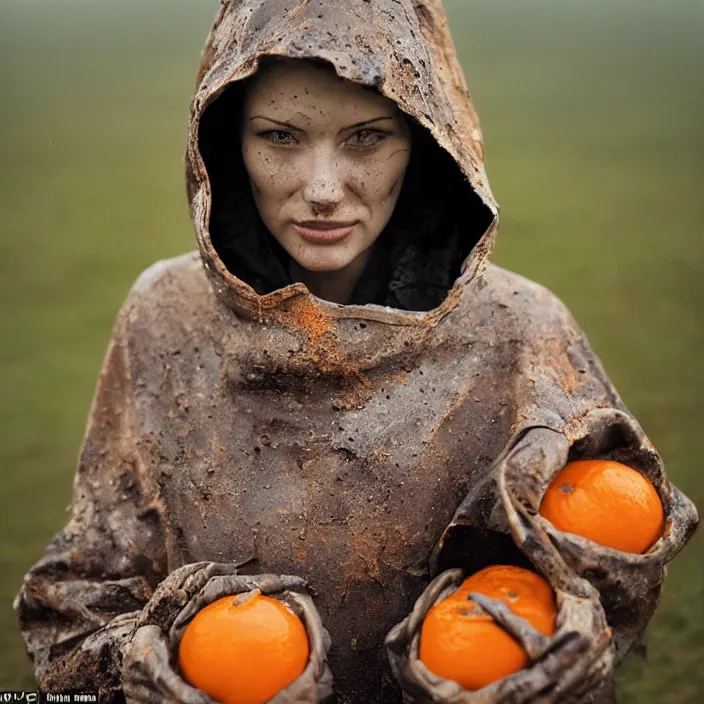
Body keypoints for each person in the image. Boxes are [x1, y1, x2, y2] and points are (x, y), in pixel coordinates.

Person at [15, 1, 697, 703]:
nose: (321, 190)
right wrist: (139, 664)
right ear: (223, 143)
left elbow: (602, 584)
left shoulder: (519, 331)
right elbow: (74, 602)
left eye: (367, 138)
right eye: (279, 136)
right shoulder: (167, 320)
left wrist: (571, 649)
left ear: (430, 141)